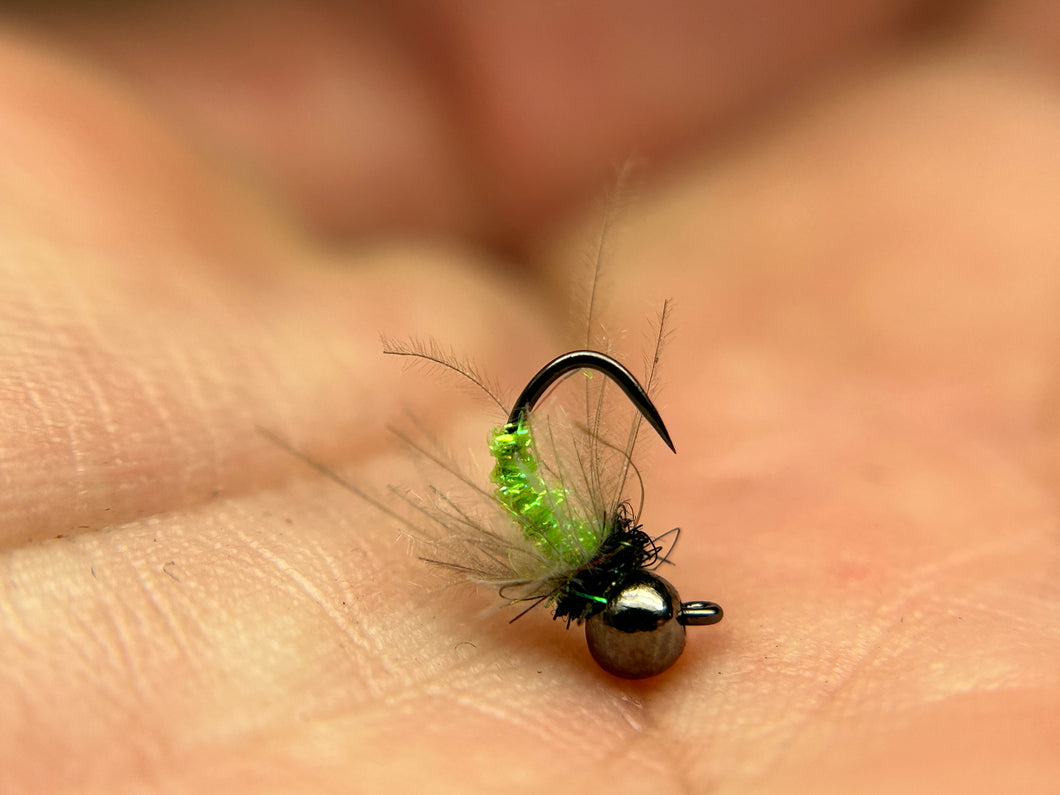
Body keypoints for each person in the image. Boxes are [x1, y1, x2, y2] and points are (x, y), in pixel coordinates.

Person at [1, 3, 1057, 791]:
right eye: (657, 620)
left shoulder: (602, 570)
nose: (662, 617)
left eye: (652, 621)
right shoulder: (596, 579)